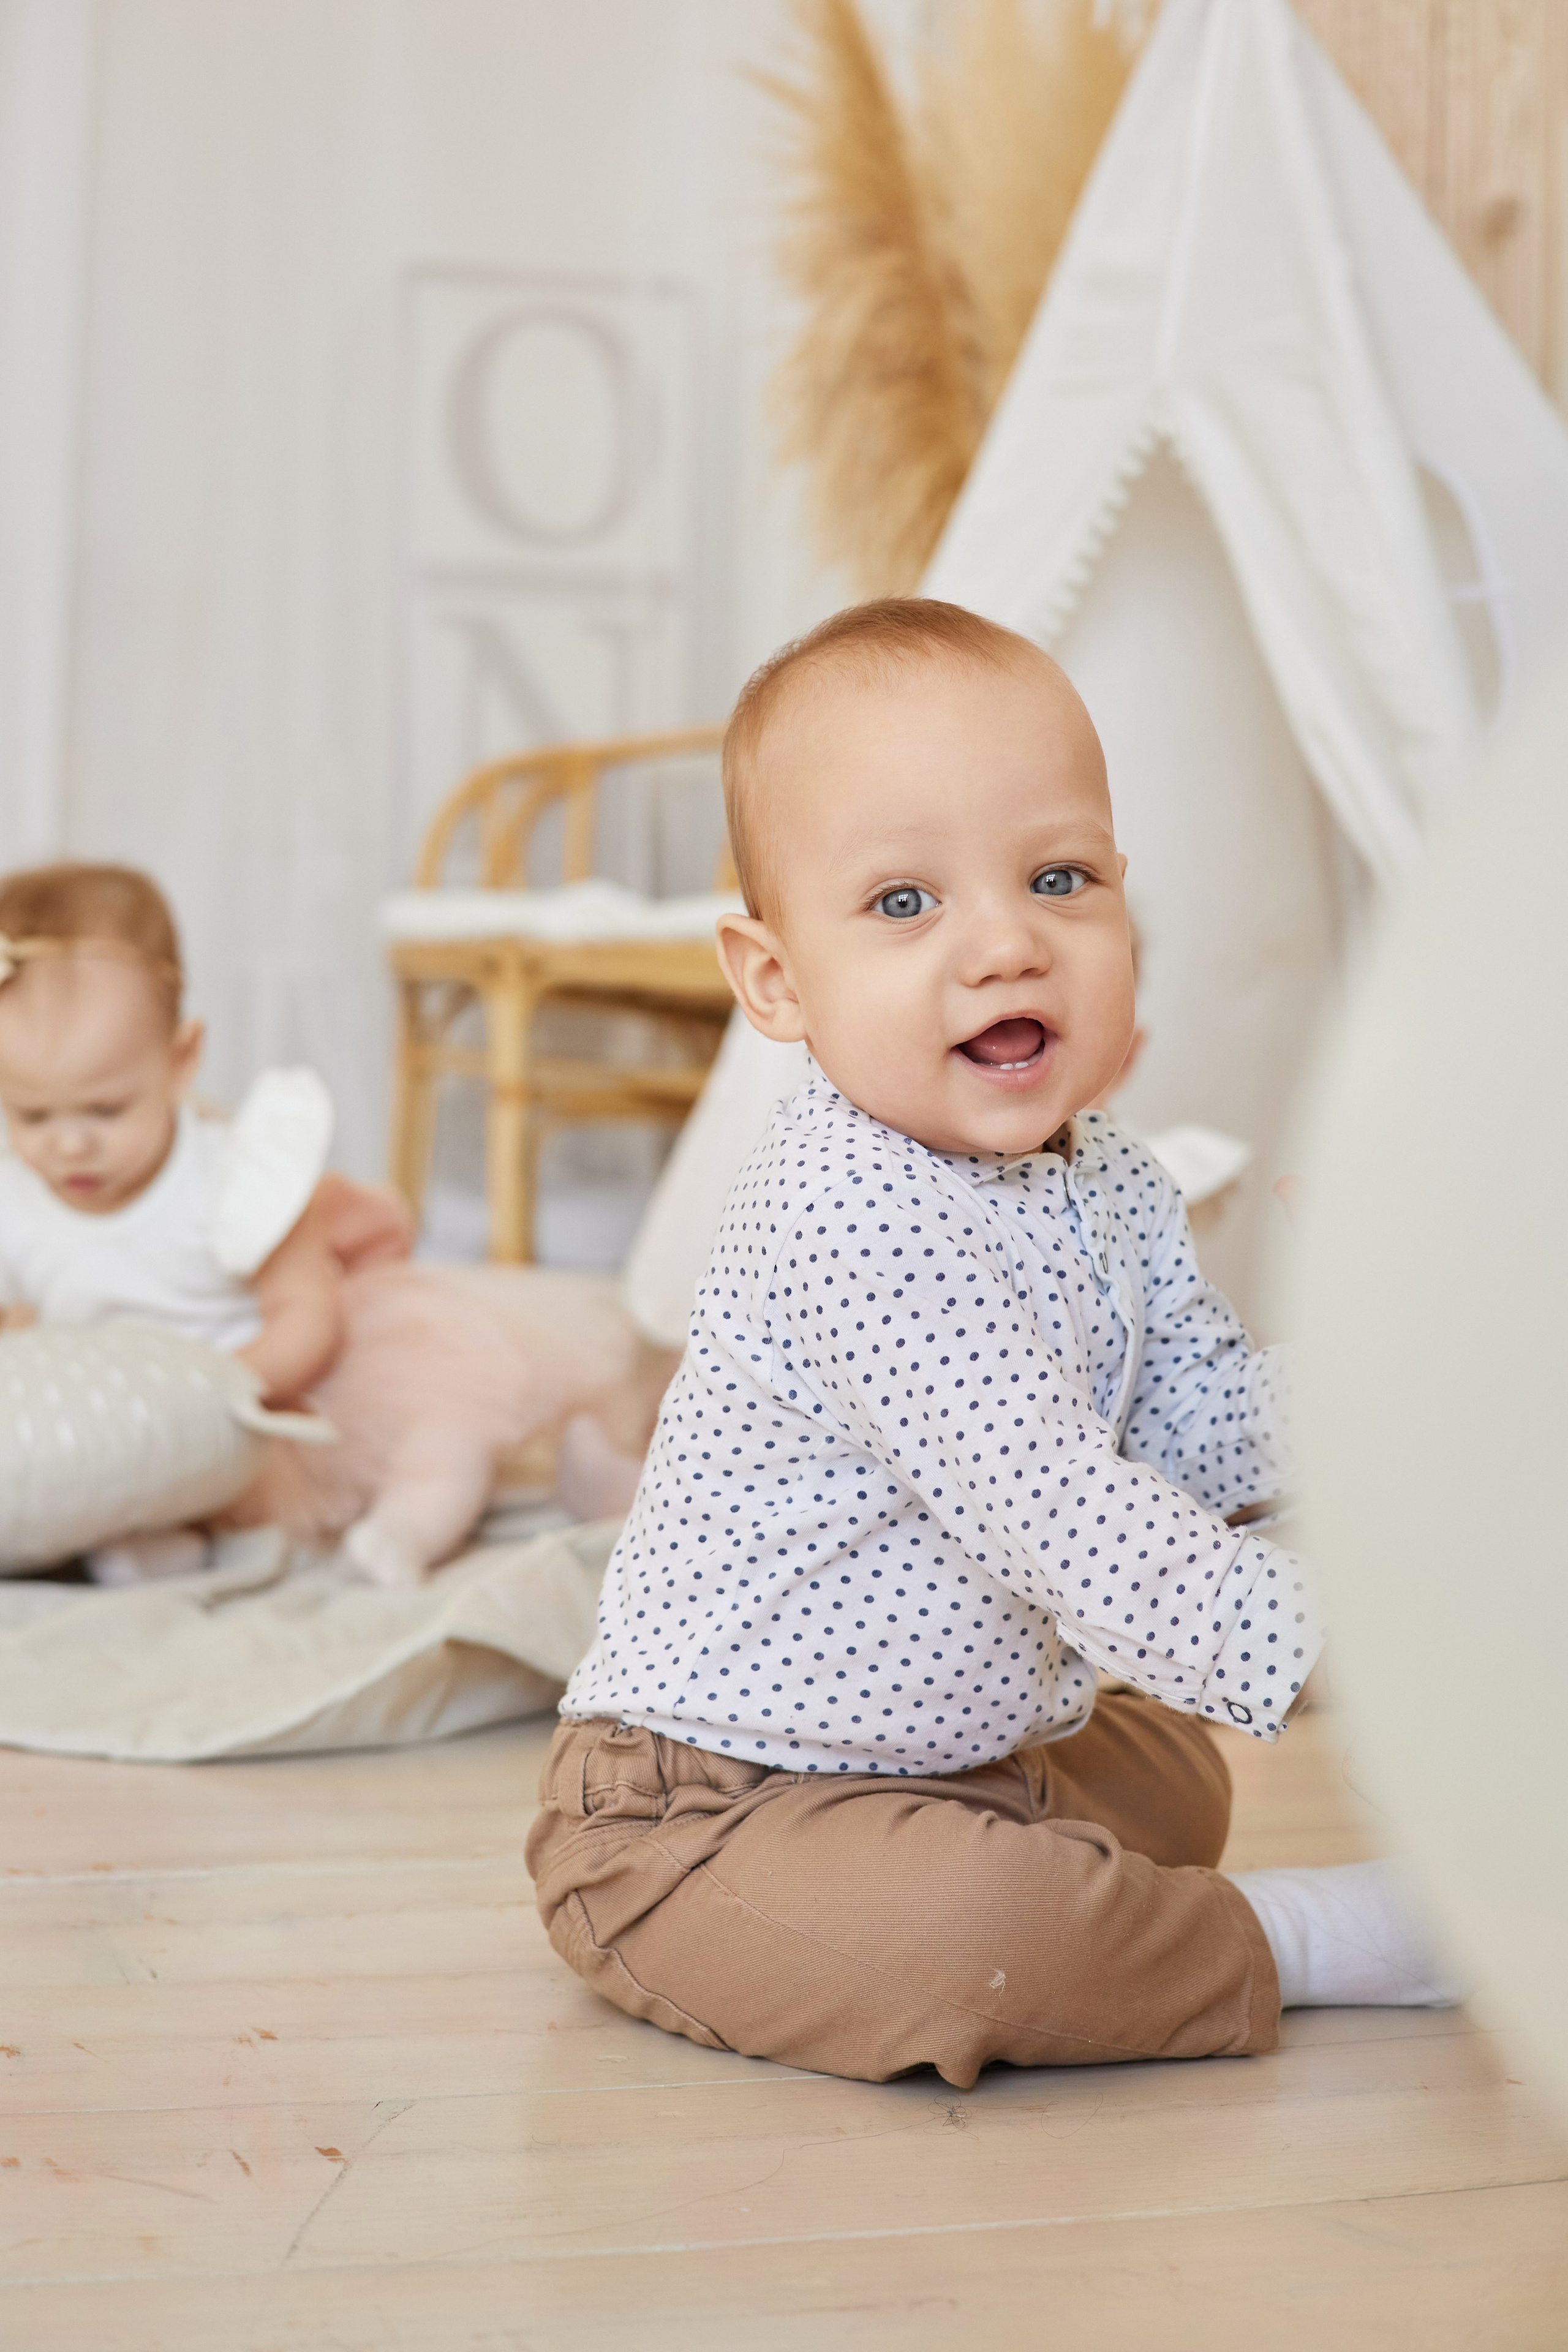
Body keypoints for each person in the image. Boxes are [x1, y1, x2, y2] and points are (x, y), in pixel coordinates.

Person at [527, 598, 1459, 2090]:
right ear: (775, 981)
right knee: (970, 1939)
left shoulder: (1104, 1175)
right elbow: (1063, 1513)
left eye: (1057, 878)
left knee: (1169, 1771)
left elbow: (1197, 1428)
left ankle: (1087, 1894)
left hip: (971, 1753)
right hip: (704, 1814)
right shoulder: (850, 1211)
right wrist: (1342, 1647)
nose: (1006, 942)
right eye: (904, 905)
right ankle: (1300, 1943)